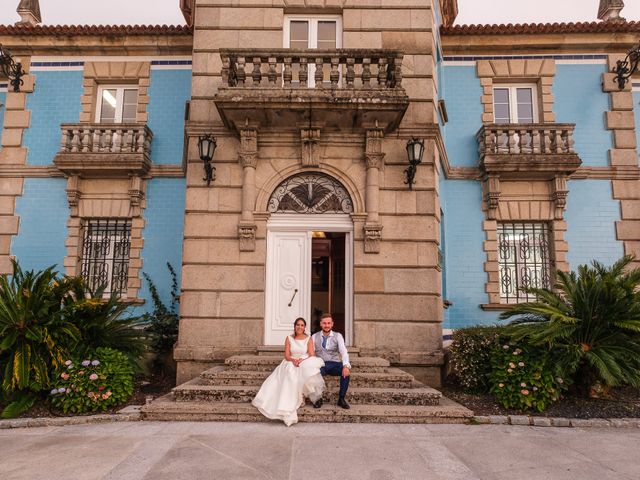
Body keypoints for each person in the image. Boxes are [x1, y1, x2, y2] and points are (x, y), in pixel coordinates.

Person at [251, 317, 325, 426]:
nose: (300, 327)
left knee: (307, 368)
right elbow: (286, 355)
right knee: (290, 371)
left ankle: (302, 395)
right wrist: (293, 360)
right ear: (295, 326)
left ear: (304, 327)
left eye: (302, 325)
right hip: (290, 361)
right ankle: (296, 399)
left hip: (304, 360)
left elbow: (311, 354)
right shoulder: (289, 338)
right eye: (298, 325)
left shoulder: (308, 338)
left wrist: (302, 360)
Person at [311, 313, 351, 409]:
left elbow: (344, 351)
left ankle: (341, 399)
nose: (326, 325)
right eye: (324, 323)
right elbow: (310, 352)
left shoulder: (338, 336)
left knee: (346, 372)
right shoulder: (314, 336)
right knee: (313, 373)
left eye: (329, 323)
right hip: (321, 364)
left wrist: (346, 366)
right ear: (321, 324)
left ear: (332, 324)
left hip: (335, 364)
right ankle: (318, 399)